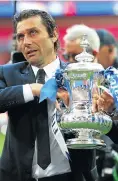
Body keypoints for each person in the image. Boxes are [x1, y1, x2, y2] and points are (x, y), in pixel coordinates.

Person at [0, 9, 75, 181]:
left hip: (71, 175)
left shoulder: (77, 75)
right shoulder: (8, 73)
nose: (26, 42)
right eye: (20, 36)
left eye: (33, 32)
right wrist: (33, 89)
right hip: (19, 176)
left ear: (54, 34)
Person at [61, 24, 101, 181]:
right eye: (67, 57)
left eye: (75, 56)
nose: (70, 62)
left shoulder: (112, 85)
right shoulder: (62, 86)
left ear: (94, 54)